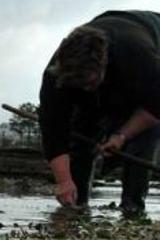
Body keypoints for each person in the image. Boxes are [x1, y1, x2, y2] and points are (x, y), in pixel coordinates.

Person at [39, 10, 160, 217]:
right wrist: (64, 181)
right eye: (80, 85)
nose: (86, 88)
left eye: (90, 82)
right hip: (106, 68)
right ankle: (76, 205)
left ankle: (132, 210)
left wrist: (121, 136)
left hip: (147, 48)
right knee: (80, 136)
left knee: (141, 144)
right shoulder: (55, 74)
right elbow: (53, 128)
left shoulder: (139, 59)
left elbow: (156, 107)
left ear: (103, 64)